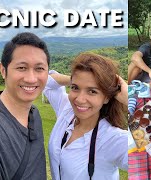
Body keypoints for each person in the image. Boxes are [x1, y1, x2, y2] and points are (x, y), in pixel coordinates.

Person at [0, 32, 49, 179]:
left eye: (39, 68)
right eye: (21, 68)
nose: (31, 79)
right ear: (3, 70)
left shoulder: (34, 113)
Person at [43, 52, 128, 180]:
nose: (80, 99)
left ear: (107, 97)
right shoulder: (67, 110)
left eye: (92, 91)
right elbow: (46, 81)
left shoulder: (112, 139)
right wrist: (76, 78)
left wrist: (131, 99)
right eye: (75, 88)